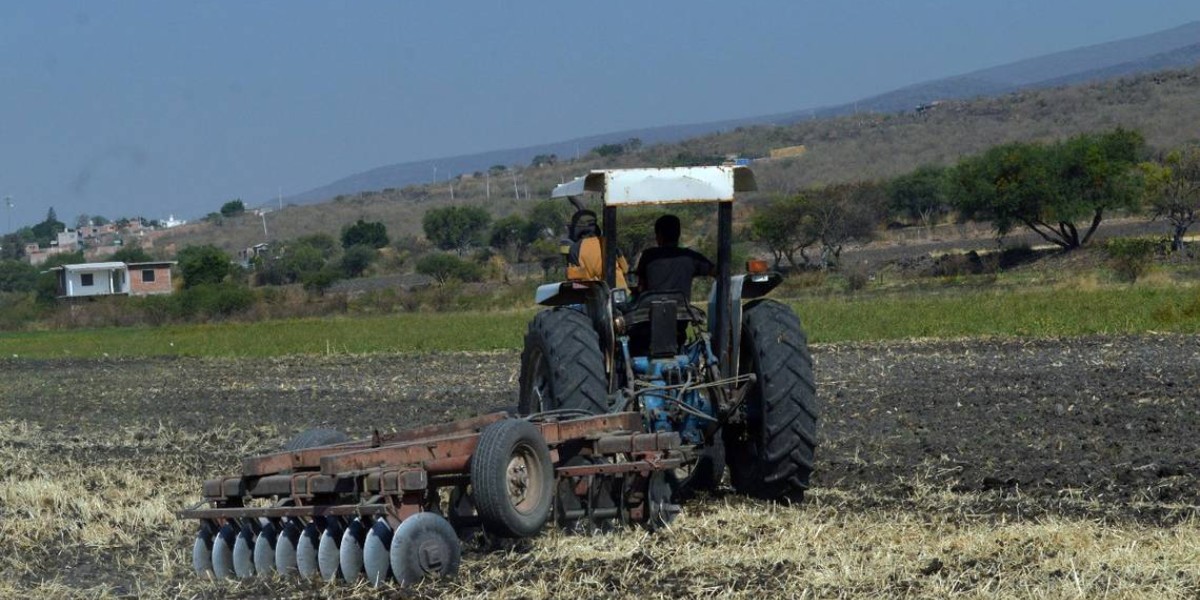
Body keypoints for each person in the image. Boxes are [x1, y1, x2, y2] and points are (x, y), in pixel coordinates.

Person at [634, 214, 714, 299]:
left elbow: (641, 287)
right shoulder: (690, 257)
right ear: (678, 234)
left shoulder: (648, 256)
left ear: (659, 235)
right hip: (683, 310)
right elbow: (715, 271)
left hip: (653, 310)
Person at [565, 209, 629, 290]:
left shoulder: (575, 249)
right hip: (620, 292)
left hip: (594, 294)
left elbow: (575, 282)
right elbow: (625, 269)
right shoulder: (610, 243)